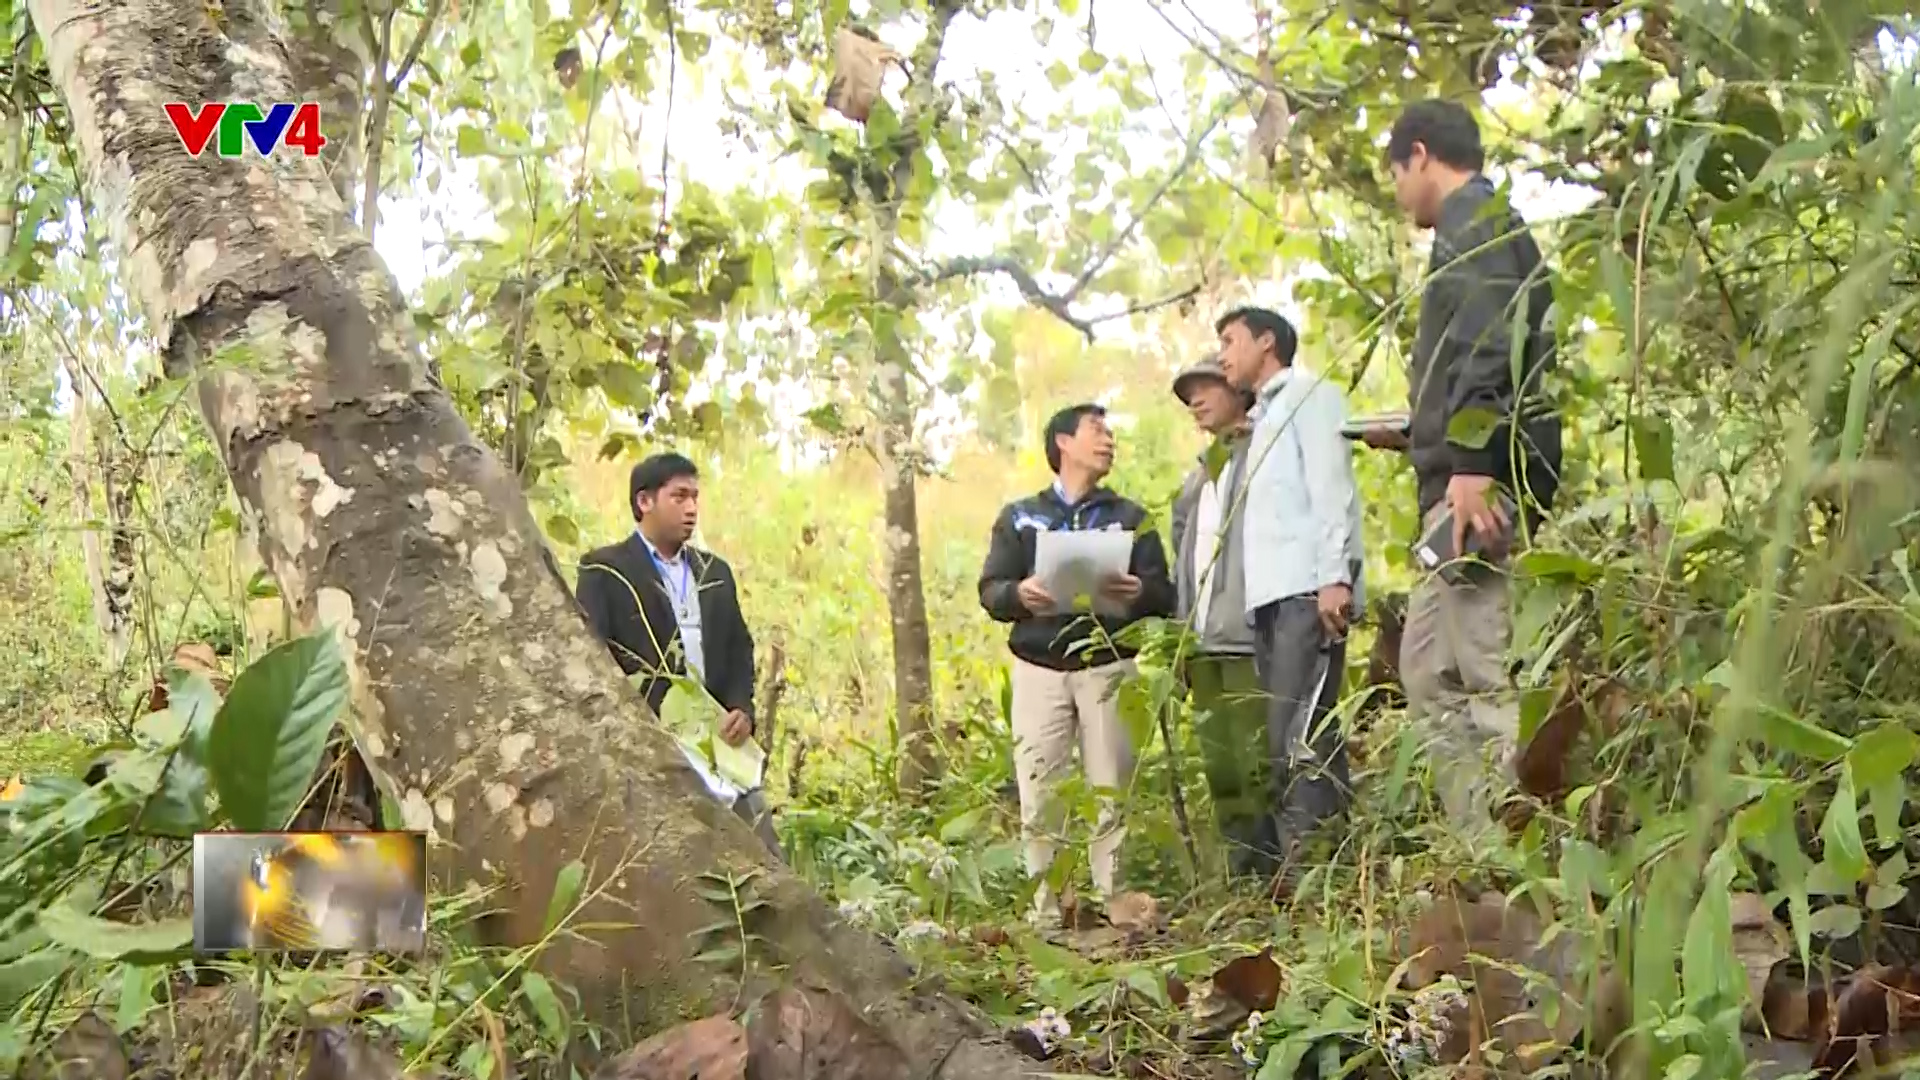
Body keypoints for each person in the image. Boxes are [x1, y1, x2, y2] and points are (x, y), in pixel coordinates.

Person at [1380, 99, 1563, 838]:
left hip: (1475, 485)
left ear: (1420, 156)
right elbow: (1474, 355)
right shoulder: (1470, 230)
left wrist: (1472, 459)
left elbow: (1490, 339)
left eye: (1396, 173)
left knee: (1487, 669)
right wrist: (1420, 432)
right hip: (1451, 481)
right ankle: (1479, 842)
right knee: (1426, 673)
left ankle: (1528, 849)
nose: (1398, 191)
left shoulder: (1478, 224)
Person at [978, 404, 1176, 925]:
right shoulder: (1019, 516)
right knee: (1040, 786)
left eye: (1111, 431)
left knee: (1113, 782)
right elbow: (991, 591)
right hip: (1039, 668)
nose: (1108, 440)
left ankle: (1116, 900)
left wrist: (1140, 591)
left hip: (1109, 666)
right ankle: (1050, 907)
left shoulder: (1130, 518)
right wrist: (1019, 593)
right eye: (1097, 430)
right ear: (1063, 442)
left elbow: (1165, 593)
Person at [1214, 306, 1366, 873]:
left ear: (1267, 341)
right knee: (1298, 734)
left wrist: (1334, 576)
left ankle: (1311, 873)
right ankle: (1335, 867)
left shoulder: (1309, 394)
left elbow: (1332, 487)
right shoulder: (1263, 419)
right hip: (1272, 599)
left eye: (1231, 340)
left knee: (1298, 734)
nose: (1223, 354)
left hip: (1308, 590)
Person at [575, 452, 781, 857]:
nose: (691, 509)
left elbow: (739, 649)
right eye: (679, 497)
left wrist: (742, 707)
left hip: (717, 741)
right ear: (644, 502)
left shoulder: (713, 571)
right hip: (652, 743)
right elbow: (594, 657)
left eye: (695, 498)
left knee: (760, 845)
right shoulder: (605, 571)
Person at [1166, 355, 1269, 877]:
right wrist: (1180, 634)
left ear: (1238, 388)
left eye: (1205, 388)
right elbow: (1182, 556)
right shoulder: (1196, 477)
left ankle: (1279, 872)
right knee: (1221, 766)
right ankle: (1243, 877)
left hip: (1248, 636)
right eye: (1188, 396)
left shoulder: (1266, 449)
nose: (1195, 401)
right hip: (1203, 641)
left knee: (1259, 761)